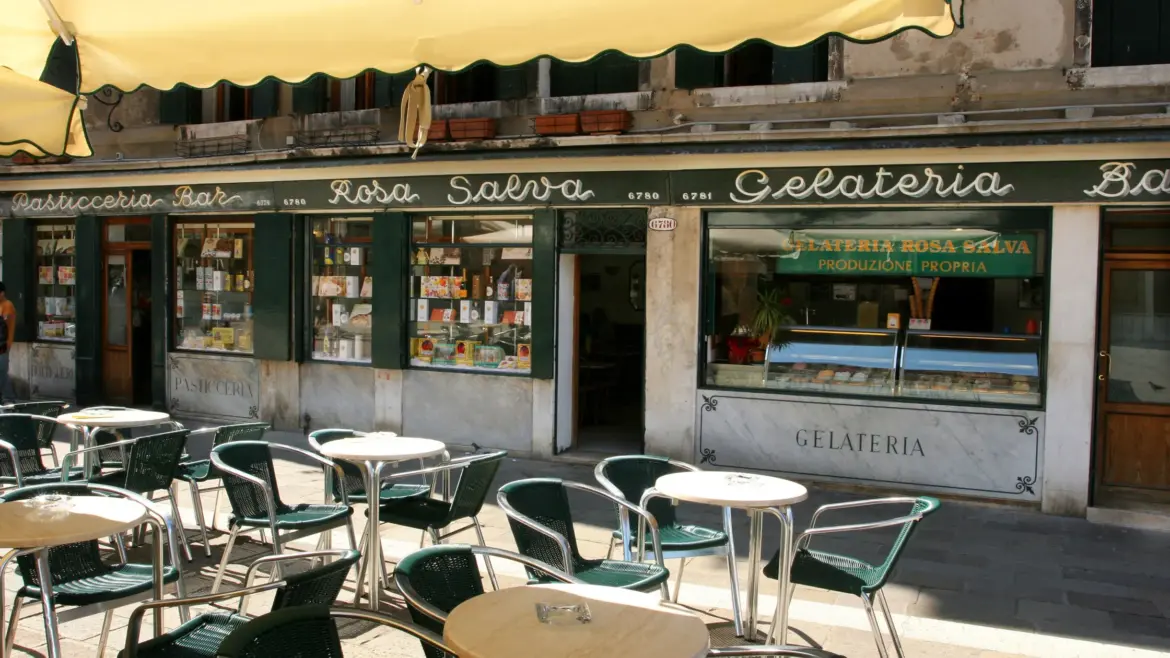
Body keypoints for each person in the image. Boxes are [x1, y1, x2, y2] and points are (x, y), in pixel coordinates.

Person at [0, 283, 16, 403]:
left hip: (2, 346)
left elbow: (10, 327)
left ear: (2, 293)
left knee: (2, 372)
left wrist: (8, 344)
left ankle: (9, 399)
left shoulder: (7, 305)